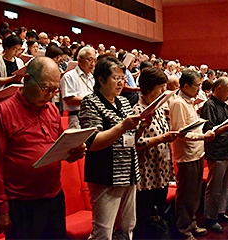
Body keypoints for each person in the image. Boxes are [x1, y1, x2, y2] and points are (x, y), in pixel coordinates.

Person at [0, 57, 86, 239]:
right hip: (22, 202)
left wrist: (74, 153)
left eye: (55, 90)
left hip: (53, 196)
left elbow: (58, 149)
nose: (50, 94)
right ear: (27, 79)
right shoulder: (3, 111)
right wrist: (1, 207)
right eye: (46, 88)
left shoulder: (52, 110)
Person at [78, 56, 151, 240]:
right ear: (100, 79)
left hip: (129, 172)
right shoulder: (90, 102)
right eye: (115, 78)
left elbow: (131, 139)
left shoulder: (123, 102)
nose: (120, 83)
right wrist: (122, 126)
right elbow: (93, 142)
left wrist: (141, 127)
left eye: (122, 78)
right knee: (103, 232)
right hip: (105, 174)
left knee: (126, 227)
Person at [133, 67, 179, 239]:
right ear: (149, 88)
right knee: (144, 217)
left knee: (158, 214)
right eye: (161, 87)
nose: (163, 91)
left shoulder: (158, 108)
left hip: (162, 171)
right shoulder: (138, 111)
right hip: (147, 174)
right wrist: (161, 139)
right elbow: (134, 142)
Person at [170, 70, 215, 240]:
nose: (199, 89)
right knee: (186, 196)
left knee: (195, 195)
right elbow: (181, 133)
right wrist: (204, 136)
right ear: (186, 86)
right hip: (187, 156)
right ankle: (183, 229)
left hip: (196, 153)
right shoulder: (179, 103)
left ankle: (192, 223)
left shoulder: (189, 102)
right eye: (196, 86)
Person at [201, 77, 228, 233]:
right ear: (218, 88)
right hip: (216, 151)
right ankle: (210, 218)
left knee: (225, 185)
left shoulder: (224, 105)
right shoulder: (209, 106)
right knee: (215, 188)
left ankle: (221, 211)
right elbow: (211, 131)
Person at [61, 46, 96, 129]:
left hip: (93, 117)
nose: (93, 64)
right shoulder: (70, 76)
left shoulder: (91, 77)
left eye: (94, 60)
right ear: (79, 60)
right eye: (90, 60)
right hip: (77, 117)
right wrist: (92, 99)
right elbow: (69, 100)